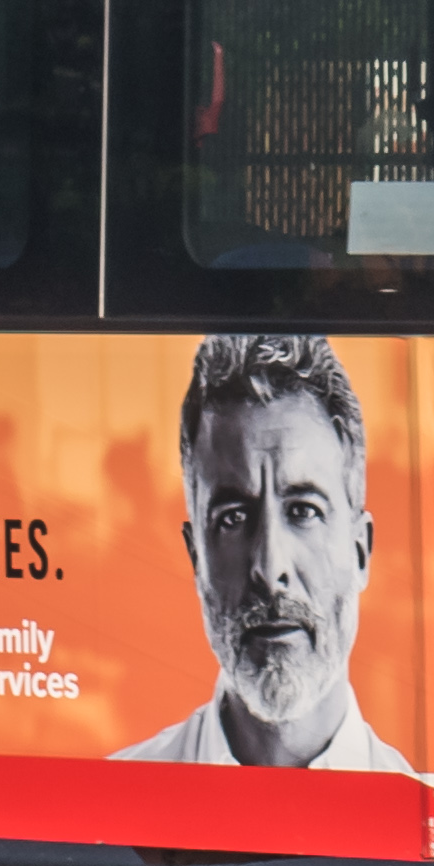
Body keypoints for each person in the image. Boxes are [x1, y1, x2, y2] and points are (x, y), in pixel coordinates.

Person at [109, 327, 412, 770]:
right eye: (233, 518)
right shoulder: (119, 800)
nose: (270, 569)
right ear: (197, 560)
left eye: (304, 511)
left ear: (360, 551)